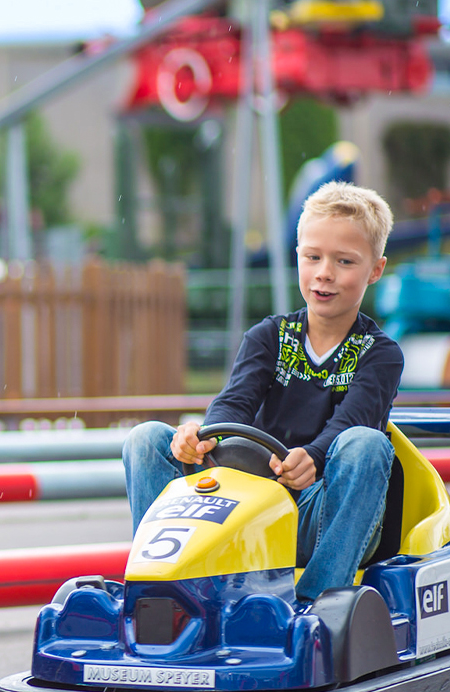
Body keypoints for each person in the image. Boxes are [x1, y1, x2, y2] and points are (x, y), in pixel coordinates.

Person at [123, 181, 404, 601]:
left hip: (317, 513)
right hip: (245, 506)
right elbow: (235, 401)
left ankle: (317, 605)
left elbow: (353, 420)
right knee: (145, 439)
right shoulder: (269, 336)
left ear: (375, 270)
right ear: (298, 258)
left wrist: (313, 456)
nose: (324, 272)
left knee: (366, 444)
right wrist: (203, 436)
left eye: (344, 261)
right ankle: (165, 590)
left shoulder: (381, 354)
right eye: (313, 257)